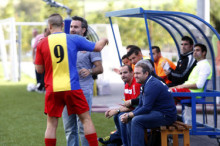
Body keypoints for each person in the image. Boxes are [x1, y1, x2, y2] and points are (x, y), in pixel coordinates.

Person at [35, 13, 108, 146]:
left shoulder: (42, 43)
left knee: (51, 125)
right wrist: (104, 39)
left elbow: (39, 70)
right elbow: (97, 47)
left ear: (49, 26)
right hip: (73, 87)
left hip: (53, 88)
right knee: (86, 120)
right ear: (63, 25)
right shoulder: (73, 39)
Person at [62, 16, 103, 146]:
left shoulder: (91, 45)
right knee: (69, 128)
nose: (72, 29)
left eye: (76, 27)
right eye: (71, 27)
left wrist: (90, 71)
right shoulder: (64, 44)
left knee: (83, 126)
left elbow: (100, 68)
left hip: (83, 90)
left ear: (83, 30)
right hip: (66, 90)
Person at [120, 62, 177, 146]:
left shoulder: (152, 84)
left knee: (136, 120)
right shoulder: (146, 83)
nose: (135, 76)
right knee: (131, 119)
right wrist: (129, 115)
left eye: (138, 73)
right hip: (158, 112)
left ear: (146, 73)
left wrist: (130, 114)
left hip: (166, 115)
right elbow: (140, 105)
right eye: (135, 73)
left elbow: (146, 108)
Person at [100, 65, 141, 146]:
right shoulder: (126, 85)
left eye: (125, 72)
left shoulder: (136, 84)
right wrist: (114, 110)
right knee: (116, 116)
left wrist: (117, 110)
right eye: (121, 73)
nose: (123, 75)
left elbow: (136, 105)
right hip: (133, 109)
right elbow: (127, 105)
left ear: (132, 73)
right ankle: (120, 140)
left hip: (139, 110)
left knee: (121, 117)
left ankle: (125, 143)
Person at [33, 28, 51, 93]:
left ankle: (43, 86)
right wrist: (34, 58)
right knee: (40, 72)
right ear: (45, 32)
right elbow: (34, 48)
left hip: (48, 61)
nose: (49, 33)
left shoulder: (52, 39)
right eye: (48, 32)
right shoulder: (40, 39)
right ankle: (40, 85)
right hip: (42, 60)